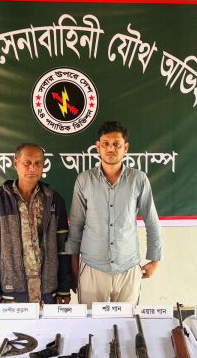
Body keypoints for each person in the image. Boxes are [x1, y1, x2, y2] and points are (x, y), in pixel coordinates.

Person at [65, 121, 162, 305]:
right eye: (106, 144)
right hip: (92, 267)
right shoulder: (84, 180)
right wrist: (74, 267)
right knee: (90, 321)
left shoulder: (138, 179)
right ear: (98, 147)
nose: (111, 148)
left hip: (128, 267)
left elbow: (152, 222)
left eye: (116, 144)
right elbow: (76, 227)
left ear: (125, 148)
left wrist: (155, 260)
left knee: (127, 321)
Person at [0, 143, 71, 309]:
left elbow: (63, 248)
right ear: (16, 163)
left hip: (48, 297)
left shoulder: (54, 200)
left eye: (38, 163)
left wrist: (64, 289)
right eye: (27, 162)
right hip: (11, 297)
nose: (32, 168)